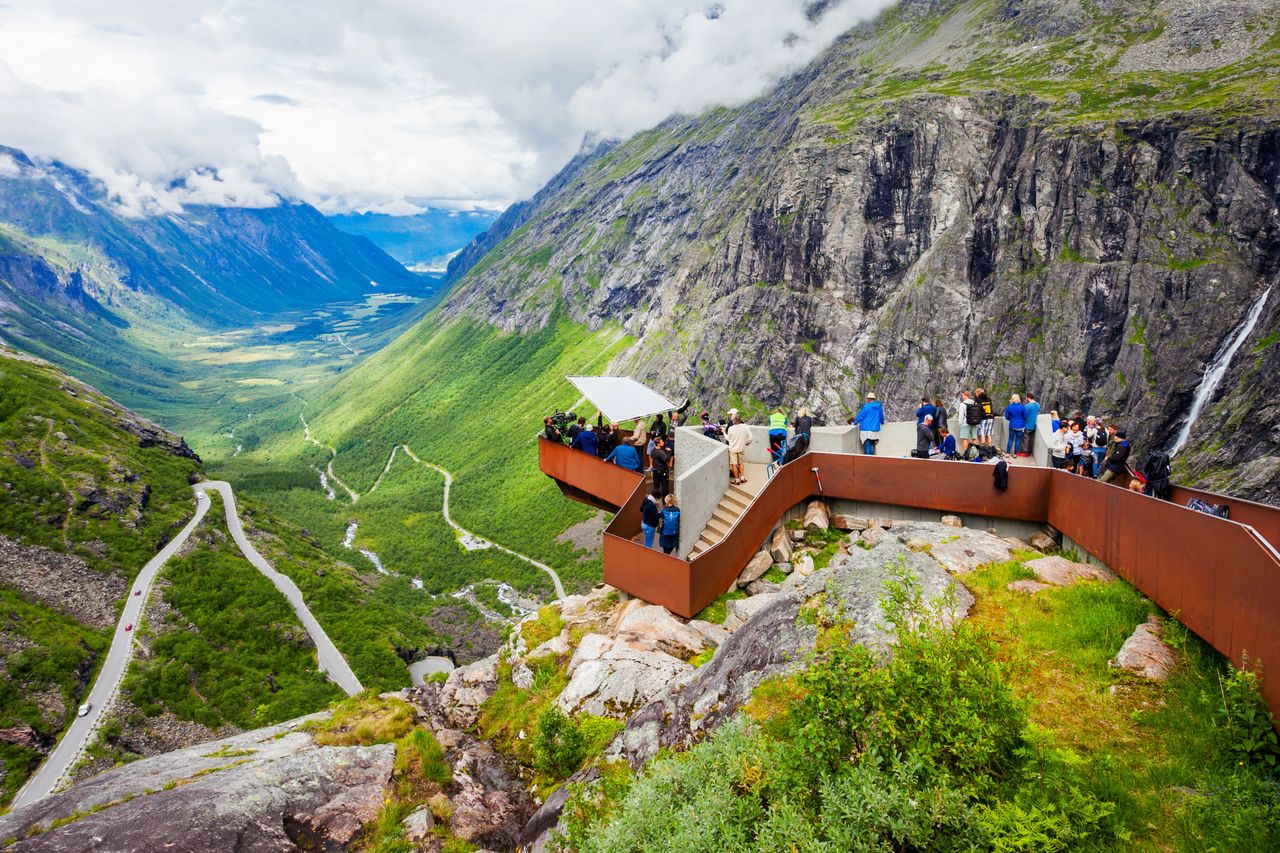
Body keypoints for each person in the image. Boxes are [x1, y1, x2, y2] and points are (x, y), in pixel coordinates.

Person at [726, 414, 752, 485]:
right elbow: (751, 438)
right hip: (741, 448)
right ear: (740, 420)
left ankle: (737, 480)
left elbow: (728, 439)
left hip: (733, 449)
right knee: (741, 463)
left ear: (733, 421)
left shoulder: (731, 428)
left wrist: (723, 431)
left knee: (734, 464)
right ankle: (742, 478)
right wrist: (746, 443)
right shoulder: (745, 427)